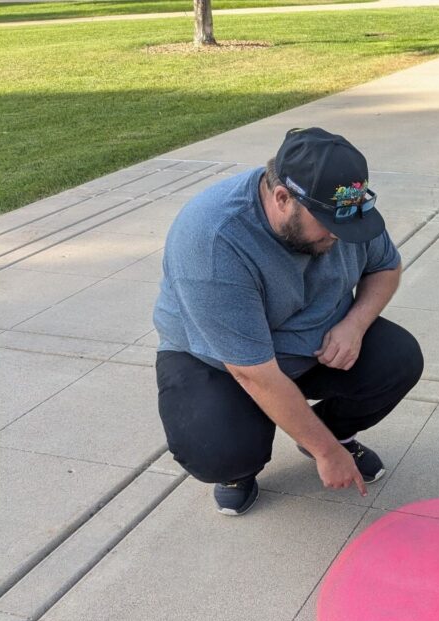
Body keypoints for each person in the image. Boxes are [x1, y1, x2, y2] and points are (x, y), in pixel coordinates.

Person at [153, 127, 423, 516]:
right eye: (329, 224)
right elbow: (253, 372)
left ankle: (332, 429)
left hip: (312, 345)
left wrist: (355, 324)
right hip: (222, 363)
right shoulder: (214, 238)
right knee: (219, 449)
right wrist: (325, 454)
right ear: (283, 198)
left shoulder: (343, 210)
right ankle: (239, 468)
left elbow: (387, 266)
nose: (340, 235)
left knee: (398, 359)